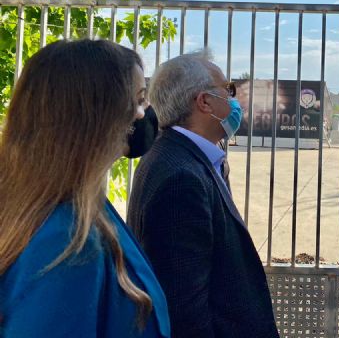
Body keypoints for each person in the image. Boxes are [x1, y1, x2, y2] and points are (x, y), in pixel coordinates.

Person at [0, 39, 170, 338]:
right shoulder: (68, 241)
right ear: (94, 113)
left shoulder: (65, 206)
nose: (142, 114)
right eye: (137, 99)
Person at [127, 50, 279, 338]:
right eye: (227, 90)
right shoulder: (181, 178)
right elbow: (185, 312)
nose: (234, 100)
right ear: (204, 102)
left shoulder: (181, 156)